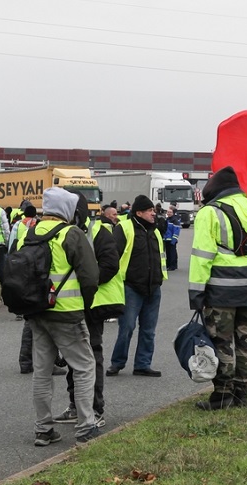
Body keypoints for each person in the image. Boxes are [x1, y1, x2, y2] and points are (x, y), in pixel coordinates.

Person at [15, 187, 100, 446]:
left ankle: (43, 429)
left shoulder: (30, 233)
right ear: (66, 210)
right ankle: (86, 426)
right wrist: (86, 305)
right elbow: (90, 276)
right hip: (67, 313)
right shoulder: (71, 234)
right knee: (85, 366)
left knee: (41, 372)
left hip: (37, 312)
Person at [189, 166, 247, 410]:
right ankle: (242, 395)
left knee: (222, 344)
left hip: (222, 292)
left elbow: (201, 257)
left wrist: (196, 292)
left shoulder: (209, 213)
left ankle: (222, 396)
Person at [54, 193, 124, 430]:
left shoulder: (98, 231)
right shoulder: (62, 232)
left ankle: (94, 409)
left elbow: (110, 265)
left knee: (92, 357)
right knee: (72, 359)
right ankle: (76, 406)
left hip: (91, 305)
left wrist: (87, 284)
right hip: (68, 306)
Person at [106, 194, 167, 377]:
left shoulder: (155, 231)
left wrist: (159, 279)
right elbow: (113, 255)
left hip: (153, 287)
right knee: (127, 327)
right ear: (139, 213)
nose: (153, 214)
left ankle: (142, 364)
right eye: (149, 211)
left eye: (153, 210)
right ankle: (117, 363)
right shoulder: (124, 228)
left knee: (148, 330)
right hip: (131, 287)